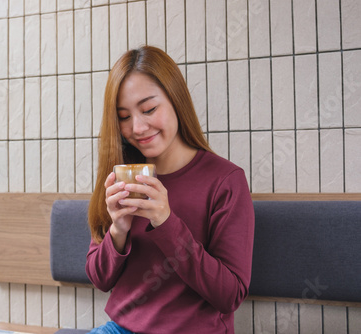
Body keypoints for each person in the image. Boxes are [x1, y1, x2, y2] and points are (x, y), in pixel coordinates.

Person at [85, 45, 254, 334]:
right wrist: (118, 230)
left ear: (176, 99)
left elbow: (230, 295)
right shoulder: (123, 175)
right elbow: (100, 279)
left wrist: (166, 223)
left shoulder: (225, 181)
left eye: (149, 109)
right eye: (124, 117)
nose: (137, 127)